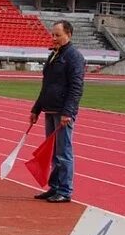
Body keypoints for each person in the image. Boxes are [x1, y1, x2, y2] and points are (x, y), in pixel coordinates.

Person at [30, 20, 85, 203]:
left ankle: (65, 190)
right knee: (53, 152)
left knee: (64, 152)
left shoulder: (74, 57)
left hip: (63, 112)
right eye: (52, 34)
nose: (53, 38)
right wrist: (36, 109)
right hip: (50, 109)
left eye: (57, 35)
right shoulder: (54, 55)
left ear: (68, 34)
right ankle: (54, 187)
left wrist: (68, 112)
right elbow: (46, 85)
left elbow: (76, 87)